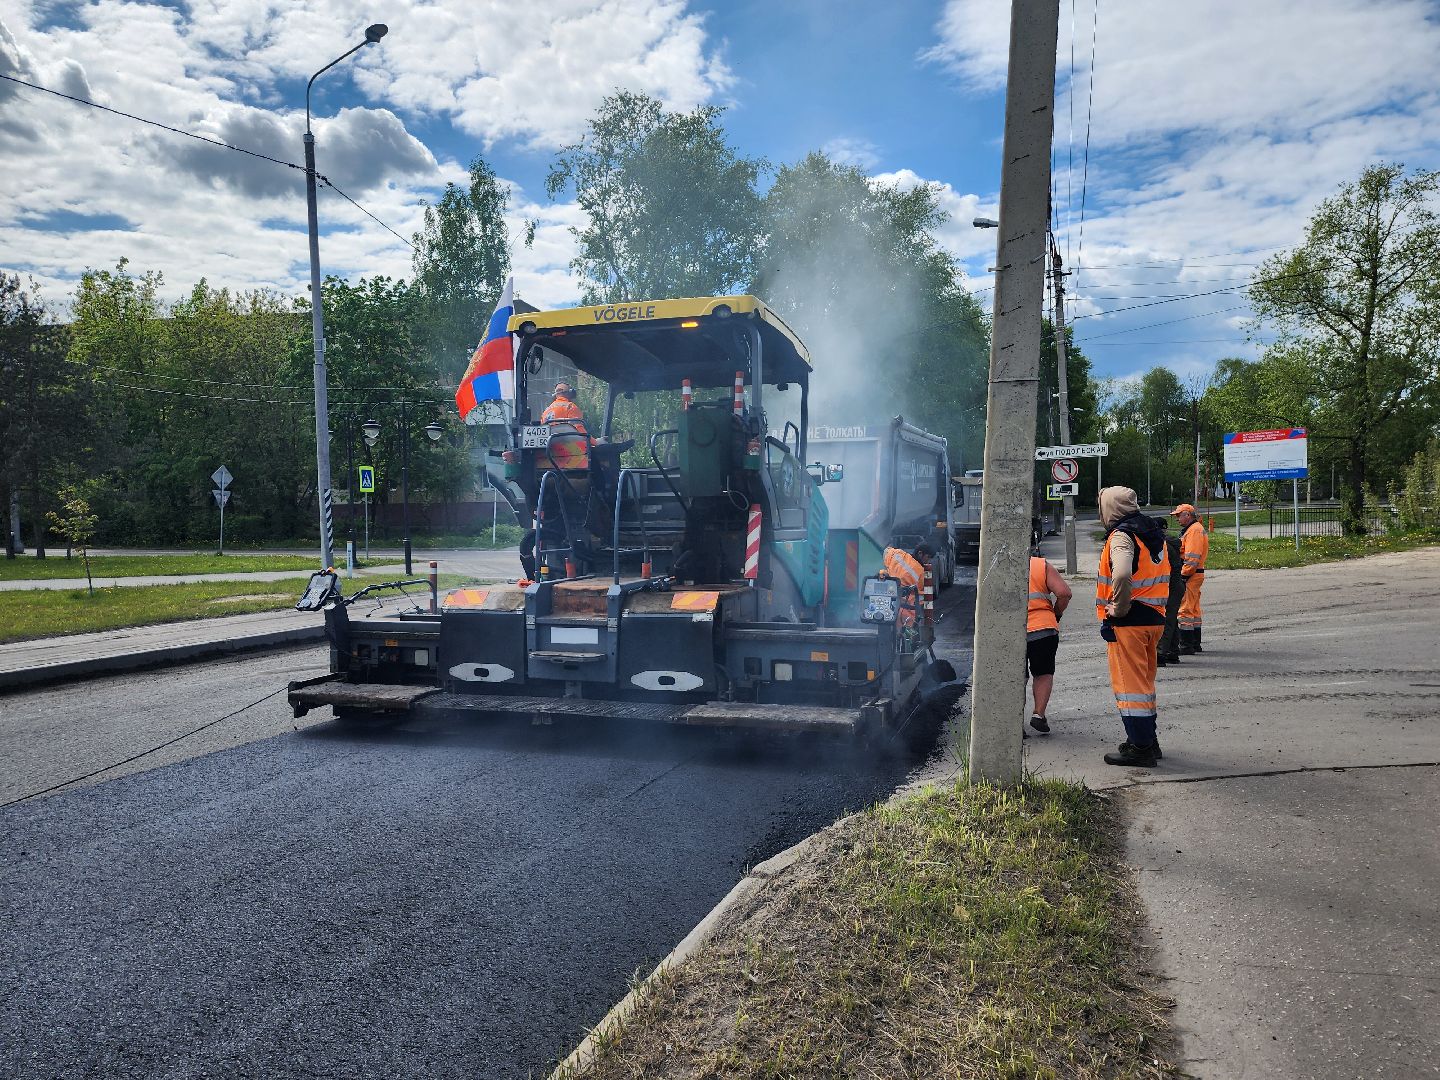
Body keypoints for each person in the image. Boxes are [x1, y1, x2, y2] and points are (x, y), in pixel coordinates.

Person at [1096, 486, 1170, 768]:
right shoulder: (1153, 533)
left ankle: (1140, 748)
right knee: (1144, 685)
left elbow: (1124, 573)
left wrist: (1118, 609)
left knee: (1130, 688)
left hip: (1130, 622)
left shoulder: (1122, 536)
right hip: (1154, 618)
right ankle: (1149, 741)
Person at [1025, 554, 1072, 734]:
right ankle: (1038, 714)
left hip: (1010, 630)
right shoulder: (1039, 565)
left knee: (1015, 677)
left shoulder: (995, 565)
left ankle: (1013, 721)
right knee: (1043, 673)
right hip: (1042, 628)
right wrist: (1056, 614)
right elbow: (1064, 593)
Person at [1170, 502, 1209, 653]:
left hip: (1191, 574)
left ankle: (1186, 645)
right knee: (1194, 609)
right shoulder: (1194, 529)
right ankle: (1194, 643)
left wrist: (1183, 575)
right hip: (1195, 573)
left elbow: (1192, 557)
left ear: (1188, 515)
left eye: (1179, 515)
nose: (1177, 519)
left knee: (1185, 609)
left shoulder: (1193, 531)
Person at [1155, 517, 1185, 667]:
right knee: (1171, 619)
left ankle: (1160, 654)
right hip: (1176, 585)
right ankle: (1173, 652)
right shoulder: (1171, 543)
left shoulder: (1163, 545)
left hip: (1170, 587)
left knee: (1166, 619)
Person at [882, 541, 931, 628]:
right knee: (908, 634)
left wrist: (888, 570)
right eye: (928, 557)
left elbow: (886, 551)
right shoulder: (921, 572)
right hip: (904, 613)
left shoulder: (899, 554)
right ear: (920, 554)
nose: (928, 561)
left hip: (887, 603)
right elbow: (921, 596)